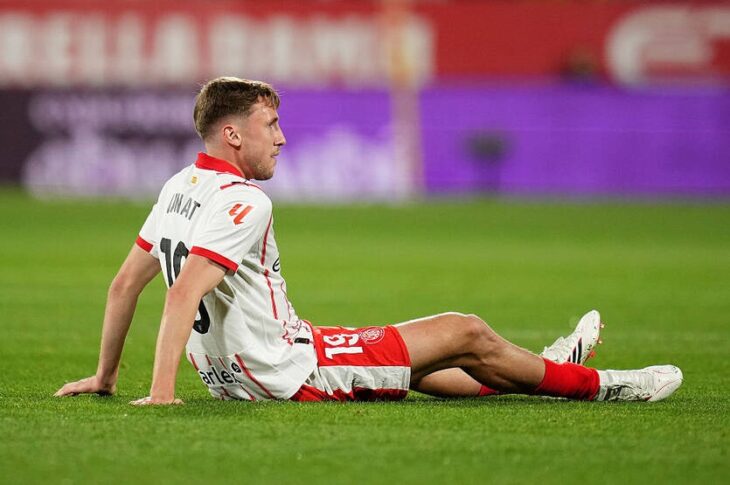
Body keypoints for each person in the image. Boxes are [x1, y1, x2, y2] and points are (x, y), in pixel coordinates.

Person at [55, 77, 683, 405]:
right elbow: (182, 293)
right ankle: (606, 385)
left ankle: (548, 368)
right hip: (284, 372)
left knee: (421, 363)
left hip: (244, 367)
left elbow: (123, 285)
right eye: (270, 125)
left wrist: (105, 377)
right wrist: (162, 394)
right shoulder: (244, 200)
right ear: (233, 134)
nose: (282, 138)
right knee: (465, 330)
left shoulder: (179, 186)